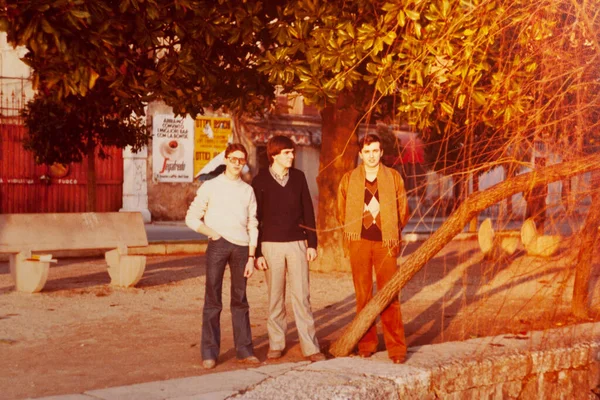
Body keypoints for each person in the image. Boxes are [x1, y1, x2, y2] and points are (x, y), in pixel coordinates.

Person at [185, 143, 260, 369]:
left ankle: (244, 350)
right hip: (217, 245)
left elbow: (252, 223)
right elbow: (191, 218)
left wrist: (251, 255)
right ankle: (209, 352)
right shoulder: (211, 186)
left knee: (240, 300)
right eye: (233, 159)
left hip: (241, 248)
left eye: (241, 160)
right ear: (225, 159)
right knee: (212, 300)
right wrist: (212, 234)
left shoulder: (248, 190)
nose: (237, 164)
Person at [336, 134, 410, 364]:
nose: (371, 156)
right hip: (359, 241)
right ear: (361, 154)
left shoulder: (393, 177)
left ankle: (396, 349)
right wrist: (354, 232)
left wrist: (390, 231)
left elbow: (403, 210)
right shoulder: (349, 179)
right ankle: (366, 343)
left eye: (375, 151)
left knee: (390, 295)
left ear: (381, 152)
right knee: (363, 295)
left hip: (385, 243)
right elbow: (341, 211)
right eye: (367, 151)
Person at [251, 135, 326, 362]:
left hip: (296, 245)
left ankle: (310, 347)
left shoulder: (298, 177)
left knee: (302, 296)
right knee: (275, 297)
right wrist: (257, 253)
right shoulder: (260, 180)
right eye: (287, 153)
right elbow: (255, 218)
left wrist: (312, 243)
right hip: (270, 246)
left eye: (292, 152)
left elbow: (308, 212)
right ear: (274, 155)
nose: (292, 156)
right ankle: (276, 342)